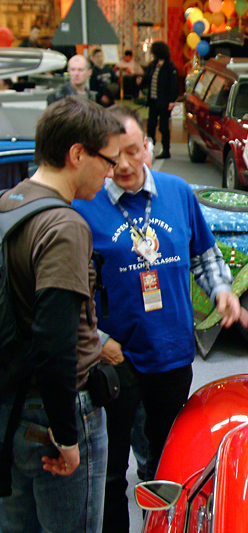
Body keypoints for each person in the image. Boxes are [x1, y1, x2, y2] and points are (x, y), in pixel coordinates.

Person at [71, 105, 248, 533]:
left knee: (168, 464)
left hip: (171, 352)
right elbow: (72, 293)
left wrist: (222, 290)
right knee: (110, 472)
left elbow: (204, 255)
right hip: (116, 360)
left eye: (133, 151)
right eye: (114, 156)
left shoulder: (177, 192)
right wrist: (99, 342)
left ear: (148, 146)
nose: (124, 165)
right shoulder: (85, 204)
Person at [0, 96, 124, 533]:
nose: (111, 172)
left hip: (13, 403)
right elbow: (55, 339)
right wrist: (67, 434)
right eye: (108, 160)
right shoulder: (64, 226)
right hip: (58, 411)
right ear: (77, 154)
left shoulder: (10, 202)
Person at [141, 41, 179, 159]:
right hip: (153, 100)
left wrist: (172, 100)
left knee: (163, 126)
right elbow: (146, 78)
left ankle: (166, 150)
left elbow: (174, 85)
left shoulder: (170, 67)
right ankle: (149, 148)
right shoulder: (153, 65)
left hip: (165, 102)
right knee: (151, 125)